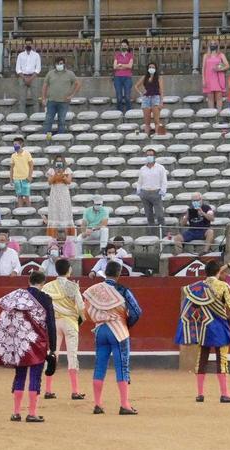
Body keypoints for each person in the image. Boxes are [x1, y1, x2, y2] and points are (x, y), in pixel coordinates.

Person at [0, 270, 57, 423]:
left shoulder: (17, 296)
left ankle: (16, 413)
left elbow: (6, 320)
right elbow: (51, 324)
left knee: (20, 375)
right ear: (42, 283)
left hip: (20, 342)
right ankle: (32, 413)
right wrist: (52, 348)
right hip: (37, 342)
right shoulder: (46, 299)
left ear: (29, 281)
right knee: (35, 376)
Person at [175, 260, 230, 403]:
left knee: (202, 358)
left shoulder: (196, 287)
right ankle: (225, 393)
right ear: (218, 272)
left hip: (203, 327)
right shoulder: (223, 286)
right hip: (220, 327)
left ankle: (200, 394)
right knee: (221, 359)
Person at [83, 261, 142, 415]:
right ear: (119, 273)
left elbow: (86, 311)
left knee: (99, 365)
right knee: (122, 367)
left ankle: (97, 404)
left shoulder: (93, 289)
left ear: (105, 272)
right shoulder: (122, 290)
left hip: (101, 329)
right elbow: (136, 311)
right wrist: (126, 324)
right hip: (118, 331)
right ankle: (124, 404)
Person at [43, 258, 86, 400]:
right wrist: (82, 319)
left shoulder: (48, 287)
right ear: (69, 270)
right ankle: (75, 391)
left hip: (54, 323)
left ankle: (48, 390)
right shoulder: (72, 287)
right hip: (69, 323)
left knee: (53, 353)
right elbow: (81, 307)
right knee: (72, 355)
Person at [41, 57, 81, 136]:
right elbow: (44, 86)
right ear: (55, 64)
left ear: (64, 64)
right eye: (58, 64)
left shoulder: (70, 74)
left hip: (64, 102)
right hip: (51, 101)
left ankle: (60, 138)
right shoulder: (50, 73)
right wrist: (43, 98)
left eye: (61, 63)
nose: (59, 65)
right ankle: (47, 137)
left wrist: (72, 95)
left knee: (62, 121)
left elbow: (78, 84)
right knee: (48, 120)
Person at [136, 148, 167, 228]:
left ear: (154, 156)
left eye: (151, 155)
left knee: (159, 215)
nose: (149, 156)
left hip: (156, 192)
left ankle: (162, 233)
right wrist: (139, 191)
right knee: (149, 215)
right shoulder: (142, 169)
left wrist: (162, 191)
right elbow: (140, 181)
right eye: (147, 155)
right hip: (145, 193)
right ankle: (152, 233)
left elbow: (164, 180)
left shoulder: (160, 168)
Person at [46, 155, 75, 237]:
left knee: (65, 212)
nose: (59, 163)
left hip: (64, 193)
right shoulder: (51, 170)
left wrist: (62, 174)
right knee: (54, 212)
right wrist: (55, 173)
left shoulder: (67, 170)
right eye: (57, 161)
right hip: (55, 193)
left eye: (61, 161)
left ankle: (68, 238)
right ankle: (53, 239)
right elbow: (49, 182)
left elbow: (68, 181)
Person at [134, 62, 165, 136]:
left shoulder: (159, 78)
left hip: (155, 97)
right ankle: (146, 136)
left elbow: (161, 90)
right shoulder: (145, 77)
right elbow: (136, 86)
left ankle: (157, 135)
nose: (151, 69)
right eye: (150, 67)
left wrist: (161, 102)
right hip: (146, 98)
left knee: (156, 120)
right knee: (147, 122)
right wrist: (141, 93)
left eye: (153, 67)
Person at [15, 37, 42, 114]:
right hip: (22, 77)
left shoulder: (36, 55)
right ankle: (21, 116)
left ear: (32, 45)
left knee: (35, 99)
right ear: (24, 45)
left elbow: (38, 69)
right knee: (21, 99)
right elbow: (18, 69)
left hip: (33, 77)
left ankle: (36, 116)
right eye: (27, 44)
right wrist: (24, 78)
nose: (28, 45)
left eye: (29, 44)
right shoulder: (20, 55)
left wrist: (30, 79)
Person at [202, 39, 229, 109]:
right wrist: (203, 79)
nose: (213, 45)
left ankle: (219, 113)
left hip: (218, 77)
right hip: (209, 77)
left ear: (217, 45)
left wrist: (219, 69)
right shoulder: (206, 55)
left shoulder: (221, 55)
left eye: (214, 44)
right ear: (209, 45)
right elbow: (203, 68)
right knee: (210, 97)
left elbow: (227, 65)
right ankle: (212, 114)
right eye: (211, 44)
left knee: (219, 96)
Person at [10, 136, 34, 208]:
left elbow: (31, 165)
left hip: (25, 178)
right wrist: (11, 179)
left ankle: (29, 211)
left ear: (21, 144)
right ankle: (20, 210)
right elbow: (11, 168)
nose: (15, 146)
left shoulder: (27, 154)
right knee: (19, 195)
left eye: (16, 144)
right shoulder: (13, 155)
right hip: (16, 178)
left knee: (26, 196)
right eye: (14, 144)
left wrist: (30, 176)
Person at [113, 39, 134, 114]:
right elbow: (115, 67)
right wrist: (125, 66)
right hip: (117, 77)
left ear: (128, 46)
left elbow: (130, 66)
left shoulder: (130, 55)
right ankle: (119, 114)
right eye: (122, 46)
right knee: (119, 98)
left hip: (127, 77)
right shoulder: (117, 55)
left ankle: (129, 113)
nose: (123, 47)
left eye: (125, 45)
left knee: (127, 97)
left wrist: (121, 65)